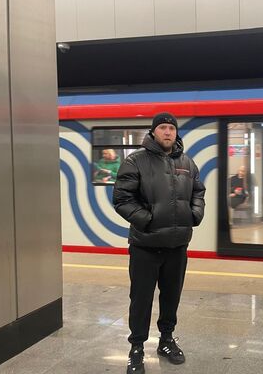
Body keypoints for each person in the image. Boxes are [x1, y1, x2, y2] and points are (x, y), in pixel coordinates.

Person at [113, 112, 205, 374]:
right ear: (153, 132)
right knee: (140, 299)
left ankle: (166, 340)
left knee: (171, 296)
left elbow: (198, 192)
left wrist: (194, 214)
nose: (167, 132)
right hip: (145, 246)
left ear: (176, 133)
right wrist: (147, 220)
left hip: (177, 246)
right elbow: (122, 198)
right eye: (162, 127)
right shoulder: (135, 161)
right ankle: (136, 348)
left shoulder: (187, 163)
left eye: (171, 128)